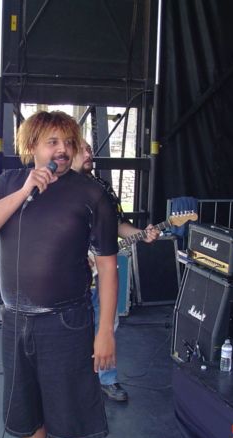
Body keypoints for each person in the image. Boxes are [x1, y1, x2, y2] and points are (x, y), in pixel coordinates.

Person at [0, 111, 119, 438]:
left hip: (66, 322)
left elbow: (108, 267)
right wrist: (25, 191)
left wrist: (105, 332)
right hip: (15, 318)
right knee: (26, 407)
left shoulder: (91, 194)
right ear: (32, 145)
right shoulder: (9, 182)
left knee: (66, 413)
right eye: (53, 142)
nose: (62, 150)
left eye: (68, 142)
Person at [72, 140, 159, 402]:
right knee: (72, 329)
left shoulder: (103, 188)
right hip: (70, 276)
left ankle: (106, 378)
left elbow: (119, 225)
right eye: (83, 150)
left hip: (102, 273)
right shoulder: (58, 189)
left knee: (107, 323)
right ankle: (73, 381)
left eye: (90, 149)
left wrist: (142, 234)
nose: (89, 153)